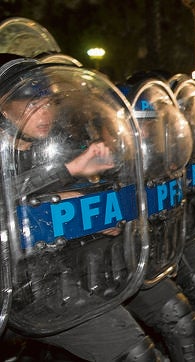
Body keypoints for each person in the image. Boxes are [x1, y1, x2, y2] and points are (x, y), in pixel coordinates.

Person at [0, 56, 159, 361]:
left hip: (43, 287)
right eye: (32, 105)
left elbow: (50, 212)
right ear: (4, 106)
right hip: (7, 291)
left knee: (135, 350)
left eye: (47, 103)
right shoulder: (55, 161)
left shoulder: (48, 151)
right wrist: (67, 170)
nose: (44, 112)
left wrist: (93, 219)